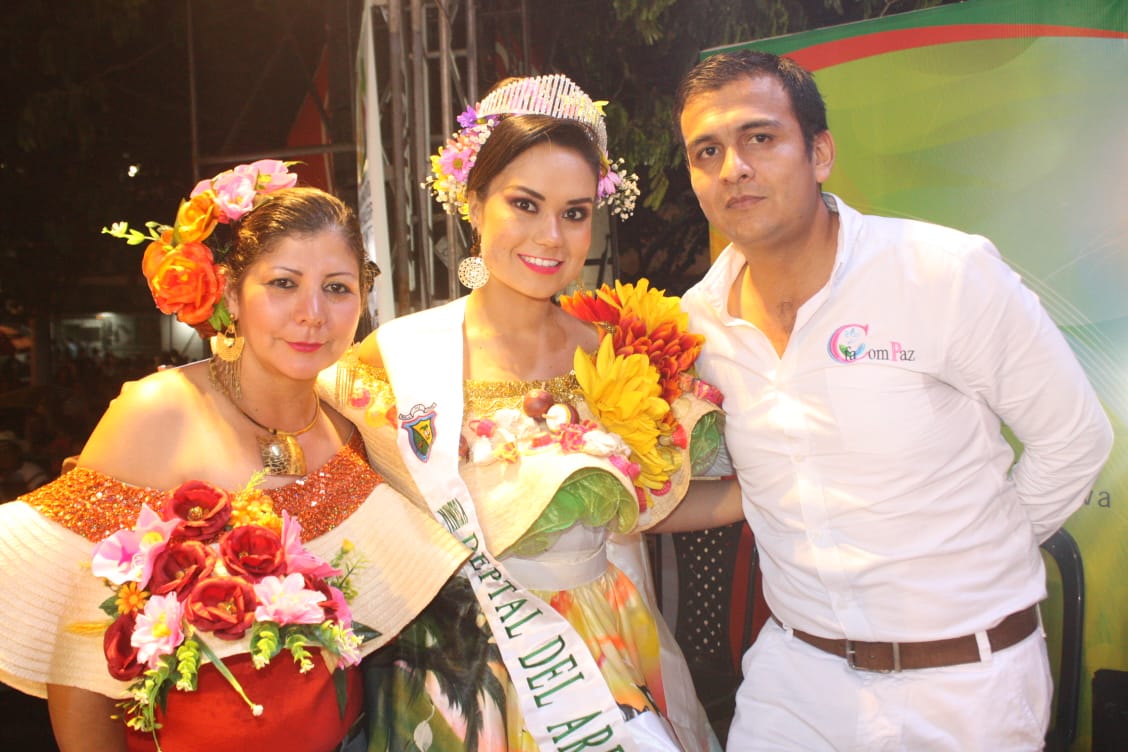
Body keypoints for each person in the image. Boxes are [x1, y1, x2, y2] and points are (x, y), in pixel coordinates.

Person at [667, 49, 1114, 750]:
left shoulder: (942, 274)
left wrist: (977, 557)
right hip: (794, 680)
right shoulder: (698, 325)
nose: (734, 168)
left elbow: (1076, 438)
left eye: (760, 137)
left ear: (819, 154)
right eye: (707, 151)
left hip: (965, 686)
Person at [0, 162, 468, 752]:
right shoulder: (158, 414)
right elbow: (78, 667)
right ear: (229, 291)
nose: (312, 313)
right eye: (282, 283)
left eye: (337, 287)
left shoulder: (353, 425)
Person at [318, 74, 724, 751]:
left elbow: (650, 505)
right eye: (525, 204)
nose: (551, 236)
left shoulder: (611, 357)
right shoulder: (399, 359)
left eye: (574, 212)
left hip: (605, 647)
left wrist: (780, 487)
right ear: (474, 203)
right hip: (458, 666)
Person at [0, 429, 50, 501]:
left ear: (17, 452)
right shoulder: (3, 473)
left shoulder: (33, 472)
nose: (2, 456)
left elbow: (44, 499)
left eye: (6, 452)